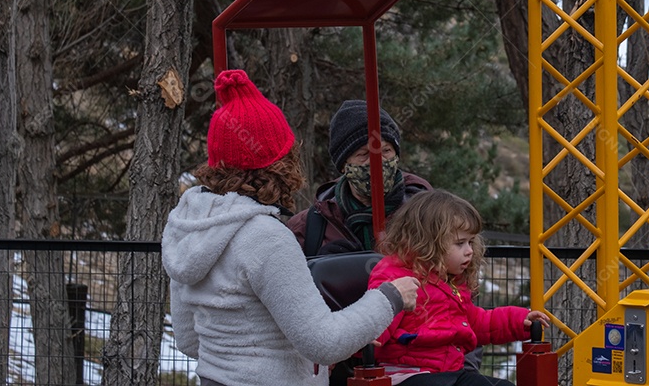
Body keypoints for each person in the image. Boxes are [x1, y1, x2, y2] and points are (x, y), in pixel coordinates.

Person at [162, 69, 420, 386]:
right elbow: (324, 343)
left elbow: (189, 341)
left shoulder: (190, 229)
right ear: (280, 163)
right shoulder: (266, 238)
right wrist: (390, 297)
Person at [368, 190, 550, 386]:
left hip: (450, 372)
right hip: (407, 374)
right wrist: (367, 337)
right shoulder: (395, 276)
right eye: (460, 243)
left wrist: (518, 321)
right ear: (428, 242)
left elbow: (478, 322)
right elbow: (376, 317)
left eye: (471, 242)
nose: (469, 250)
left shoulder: (452, 282)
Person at [287, 99, 431, 256]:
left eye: (386, 150)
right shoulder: (309, 228)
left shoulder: (428, 212)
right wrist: (323, 267)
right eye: (363, 154)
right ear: (343, 165)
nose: (378, 161)